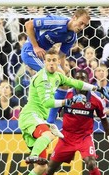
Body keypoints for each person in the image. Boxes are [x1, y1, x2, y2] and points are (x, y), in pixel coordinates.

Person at [12, 49, 105, 175]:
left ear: (58, 62)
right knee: (49, 134)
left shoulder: (58, 76)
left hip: (40, 119)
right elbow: (48, 103)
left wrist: (96, 88)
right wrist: (67, 102)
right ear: (45, 62)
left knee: (42, 168)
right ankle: (33, 155)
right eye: (48, 60)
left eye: (55, 60)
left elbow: (76, 83)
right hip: (30, 116)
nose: (52, 63)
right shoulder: (42, 79)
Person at [28, 69, 109, 175]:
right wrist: (47, 131)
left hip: (84, 137)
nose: (81, 81)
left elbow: (104, 120)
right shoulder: (66, 96)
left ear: (88, 82)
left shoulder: (95, 100)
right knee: (50, 167)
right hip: (66, 136)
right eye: (78, 79)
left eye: (84, 79)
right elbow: (52, 112)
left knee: (91, 162)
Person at [21, 8, 91, 136]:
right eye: (81, 23)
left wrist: (64, 69)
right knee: (55, 79)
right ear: (74, 17)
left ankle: (50, 121)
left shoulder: (71, 37)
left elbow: (62, 56)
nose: (82, 27)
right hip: (30, 52)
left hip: (44, 57)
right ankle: (42, 114)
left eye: (85, 25)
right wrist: (36, 46)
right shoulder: (56, 22)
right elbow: (28, 24)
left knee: (63, 82)